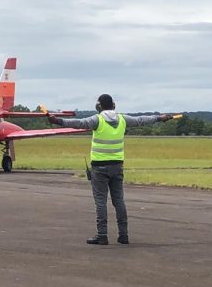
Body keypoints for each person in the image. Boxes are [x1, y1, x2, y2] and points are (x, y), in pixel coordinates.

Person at [48, 94, 173, 245]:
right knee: (119, 200)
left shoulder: (97, 119)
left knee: (100, 201)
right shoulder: (122, 119)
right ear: (113, 105)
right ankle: (123, 235)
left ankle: (102, 235)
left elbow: (79, 123)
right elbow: (142, 119)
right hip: (117, 165)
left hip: (99, 167)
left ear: (99, 106)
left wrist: (58, 121)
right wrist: (160, 118)